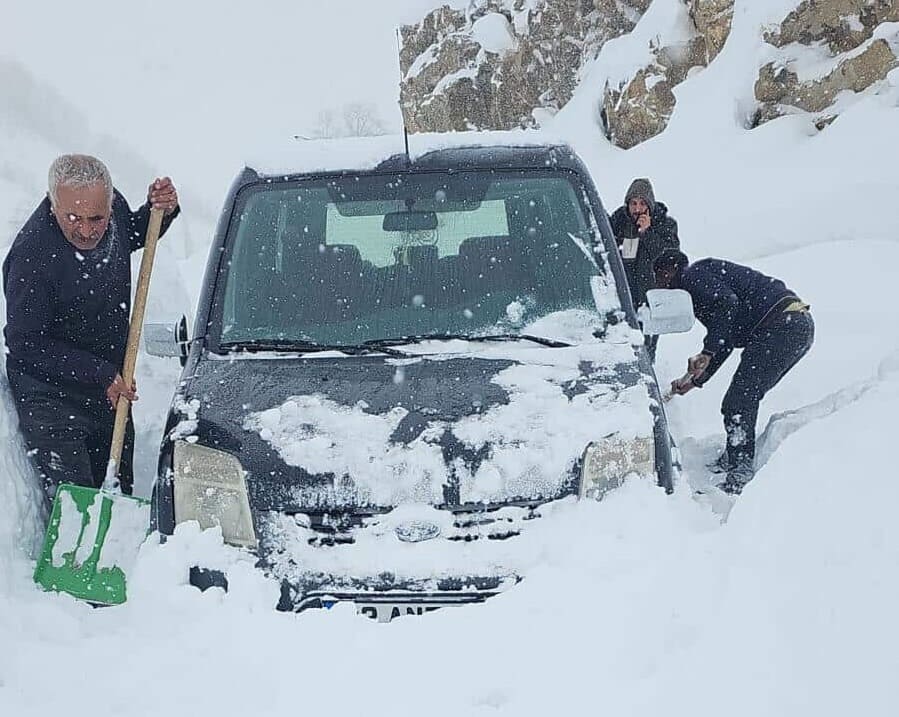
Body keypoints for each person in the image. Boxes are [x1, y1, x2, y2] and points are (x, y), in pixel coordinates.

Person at [3, 154, 180, 507]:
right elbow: (25, 344)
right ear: (53, 204)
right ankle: (70, 559)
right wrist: (99, 372)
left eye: (96, 218)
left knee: (117, 493)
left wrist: (160, 211)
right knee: (76, 501)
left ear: (111, 204)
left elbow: (132, 233)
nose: (86, 230)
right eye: (73, 217)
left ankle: (123, 558)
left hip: (107, 388)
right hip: (51, 395)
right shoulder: (32, 257)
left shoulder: (114, 217)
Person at [654, 249, 814, 494]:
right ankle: (735, 458)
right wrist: (697, 379)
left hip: (781, 326)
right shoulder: (702, 285)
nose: (662, 286)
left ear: (671, 270)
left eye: (661, 278)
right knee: (741, 398)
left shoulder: (692, 276)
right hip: (791, 325)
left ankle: (740, 472)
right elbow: (725, 338)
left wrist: (707, 352)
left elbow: (727, 305)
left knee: (739, 401)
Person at [609, 178, 679, 359]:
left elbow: (668, 257)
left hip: (651, 299)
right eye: (633, 203)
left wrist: (647, 232)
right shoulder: (617, 222)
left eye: (642, 203)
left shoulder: (665, 225)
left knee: (646, 351)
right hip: (623, 297)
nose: (637, 209)